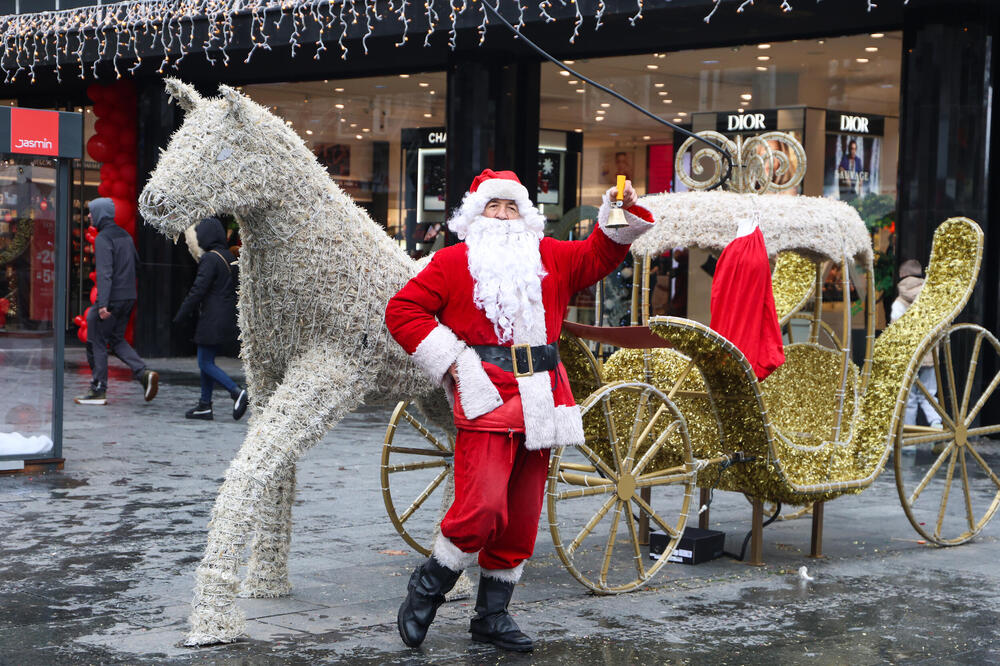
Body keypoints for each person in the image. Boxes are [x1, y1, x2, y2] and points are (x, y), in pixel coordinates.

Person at [385, 169, 654, 652]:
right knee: (483, 509)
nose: (504, 216)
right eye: (494, 207)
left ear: (527, 216)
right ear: (476, 215)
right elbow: (402, 311)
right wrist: (457, 363)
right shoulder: (450, 262)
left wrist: (618, 207)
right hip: (486, 397)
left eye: (512, 207)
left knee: (522, 517)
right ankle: (427, 586)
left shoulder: (550, 256)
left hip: (542, 402)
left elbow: (600, 253)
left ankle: (491, 616)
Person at [74, 198, 158, 405]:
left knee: (96, 340)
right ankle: (143, 373)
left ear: (101, 213)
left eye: (92, 212)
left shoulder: (103, 238)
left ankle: (98, 389)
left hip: (110, 299)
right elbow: (138, 266)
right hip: (128, 297)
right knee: (117, 339)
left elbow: (104, 273)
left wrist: (103, 303)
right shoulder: (125, 236)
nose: (89, 216)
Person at [172, 217, 248, 421]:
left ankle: (236, 392)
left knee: (205, 362)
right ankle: (204, 405)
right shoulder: (228, 255)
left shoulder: (210, 259)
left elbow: (198, 290)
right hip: (226, 316)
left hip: (211, 317)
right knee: (207, 359)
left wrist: (181, 314)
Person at [891, 259, 943, 445]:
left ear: (901, 277)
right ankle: (937, 427)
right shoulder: (929, 300)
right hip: (930, 355)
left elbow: (895, 329)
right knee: (929, 394)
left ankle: (908, 440)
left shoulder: (899, 303)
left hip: (910, 358)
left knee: (910, 398)